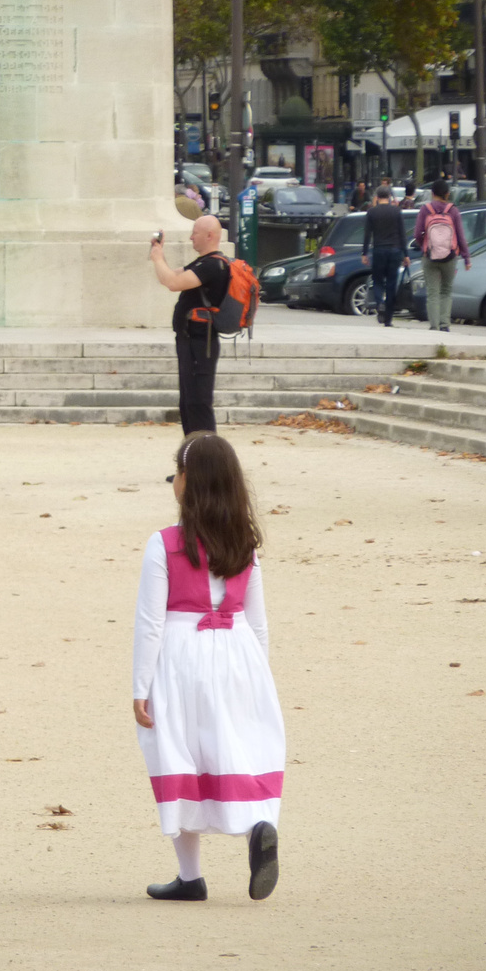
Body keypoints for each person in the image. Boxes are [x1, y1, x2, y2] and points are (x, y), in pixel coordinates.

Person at [134, 432, 283, 903]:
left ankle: (190, 874)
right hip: (238, 652)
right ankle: (258, 825)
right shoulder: (247, 545)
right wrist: (257, 676)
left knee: (177, 753)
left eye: (176, 472)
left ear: (189, 483)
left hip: (181, 654)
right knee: (237, 748)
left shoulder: (164, 544)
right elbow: (258, 624)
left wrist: (140, 685)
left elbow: (149, 624)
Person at [151, 215, 229, 436]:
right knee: (188, 404)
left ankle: (207, 465)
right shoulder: (202, 263)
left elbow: (174, 283)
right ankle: (191, 466)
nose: (191, 236)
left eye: (195, 232)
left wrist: (158, 259)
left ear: (209, 235)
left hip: (200, 343)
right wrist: (158, 255)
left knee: (198, 404)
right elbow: (167, 278)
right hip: (190, 341)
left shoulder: (213, 265)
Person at [413, 179, 471, 333]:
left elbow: (417, 233)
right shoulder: (453, 210)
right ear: (447, 194)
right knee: (446, 290)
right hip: (450, 256)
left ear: (432, 193)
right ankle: (445, 324)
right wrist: (466, 257)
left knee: (432, 292)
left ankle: (434, 325)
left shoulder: (425, 210)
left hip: (430, 256)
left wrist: (424, 246)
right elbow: (460, 236)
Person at [360, 186, 409, 326]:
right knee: (392, 283)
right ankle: (388, 319)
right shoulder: (396, 211)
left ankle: (379, 302)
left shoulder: (371, 212)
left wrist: (364, 253)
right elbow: (402, 234)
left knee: (377, 281)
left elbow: (367, 234)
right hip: (395, 250)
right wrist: (405, 255)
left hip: (379, 249)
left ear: (376, 197)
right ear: (389, 196)